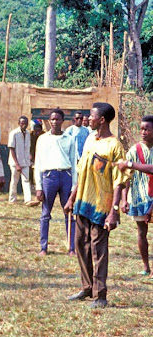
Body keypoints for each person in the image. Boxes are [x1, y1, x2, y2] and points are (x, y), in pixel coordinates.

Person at [65, 102, 128, 309]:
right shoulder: (90, 139)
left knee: (98, 250)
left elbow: (119, 181)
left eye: (91, 116)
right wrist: (72, 198)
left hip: (102, 206)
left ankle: (100, 295)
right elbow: (82, 170)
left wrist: (114, 212)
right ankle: (87, 287)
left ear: (101, 120)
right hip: (83, 202)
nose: (87, 118)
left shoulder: (115, 146)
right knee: (80, 245)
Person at [34, 109, 77, 256]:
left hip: (65, 175)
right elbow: (38, 163)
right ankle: (43, 247)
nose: (54, 122)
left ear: (62, 121)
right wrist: (38, 186)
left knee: (69, 213)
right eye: (52, 119)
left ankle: (72, 248)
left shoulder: (69, 139)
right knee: (45, 213)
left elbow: (74, 164)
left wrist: (74, 186)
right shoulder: (43, 139)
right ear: (49, 121)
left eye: (57, 119)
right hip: (49, 176)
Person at [117, 116, 153, 276]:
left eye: (147, 129)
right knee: (141, 232)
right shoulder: (134, 150)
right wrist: (124, 199)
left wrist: (130, 164)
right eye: (142, 129)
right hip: (139, 197)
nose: (143, 132)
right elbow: (126, 177)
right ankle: (146, 266)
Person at [8, 116, 38, 206]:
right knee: (14, 181)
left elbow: (27, 147)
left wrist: (29, 155)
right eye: (22, 123)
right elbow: (11, 149)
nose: (24, 125)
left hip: (25, 161)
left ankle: (28, 200)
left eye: (25, 123)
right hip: (15, 162)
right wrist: (17, 164)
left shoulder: (28, 133)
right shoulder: (14, 133)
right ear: (19, 123)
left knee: (26, 180)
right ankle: (12, 199)